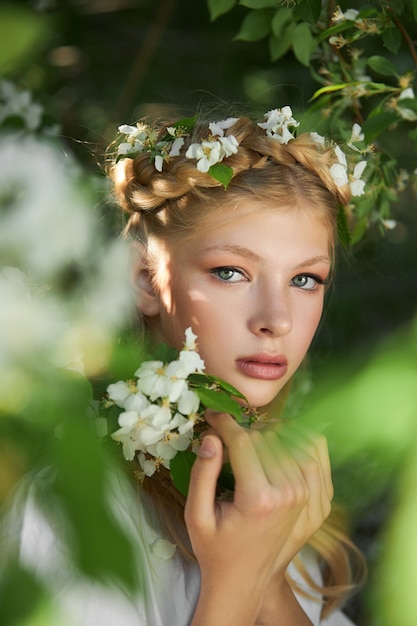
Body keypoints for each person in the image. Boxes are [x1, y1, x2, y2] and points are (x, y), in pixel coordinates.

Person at [15, 106, 365, 626]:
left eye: (305, 280)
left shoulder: (281, 496)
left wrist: (269, 575)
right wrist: (238, 582)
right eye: (231, 272)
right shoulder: (73, 512)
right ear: (143, 279)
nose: (277, 321)